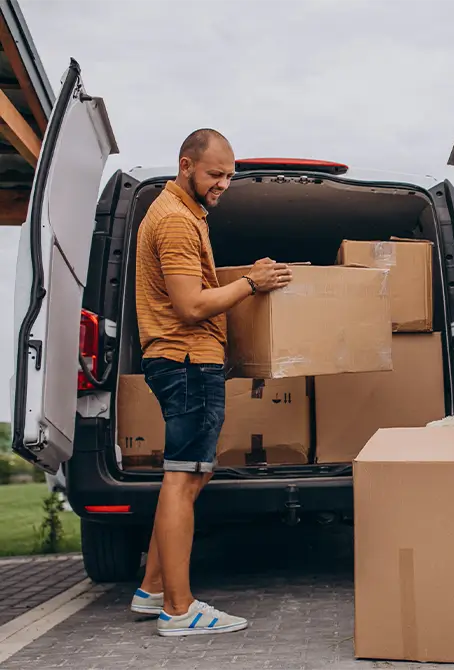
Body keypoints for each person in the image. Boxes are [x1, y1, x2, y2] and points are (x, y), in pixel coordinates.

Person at [129, 129, 292, 636]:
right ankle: (179, 611)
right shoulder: (176, 221)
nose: (223, 184)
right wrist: (250, 284)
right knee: (183, 478)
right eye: (214, 175)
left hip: (178, 361)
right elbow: (191, 305)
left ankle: (153, 588)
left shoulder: (177, 212)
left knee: (188, 477)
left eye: (228, 176)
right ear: (185, 166)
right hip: (186, 362)